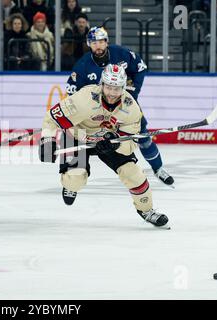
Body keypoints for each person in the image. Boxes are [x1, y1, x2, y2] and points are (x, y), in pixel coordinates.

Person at [38, 64, 169, 228]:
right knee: (75, 180)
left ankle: (146, 210)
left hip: (109, 142)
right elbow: (53, 118)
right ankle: (70, 185)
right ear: (102, 84)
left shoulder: (131, 108)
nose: (112, 93)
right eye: (108, 87)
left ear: (123, 87)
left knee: (133, 174)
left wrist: (115, 144)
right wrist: (47, 141)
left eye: (117, 88)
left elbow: (129, 144)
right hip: (78, 136)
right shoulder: (84, 98)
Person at [66, 26, 174, 187]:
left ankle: (158, 169)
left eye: (101, 41)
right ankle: (74, 179)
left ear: (106, 42)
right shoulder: (82, 66)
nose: (98, 46)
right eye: (94, 42)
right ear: (89, 44)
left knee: (143, 137)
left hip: (124, 107)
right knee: (86, 142)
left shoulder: (122, 54)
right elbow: (73, 94)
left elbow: (140, 68)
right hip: (98, 113)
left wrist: (133, 91)